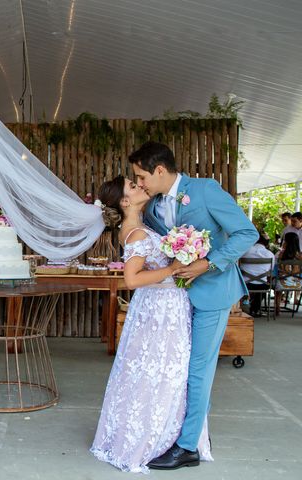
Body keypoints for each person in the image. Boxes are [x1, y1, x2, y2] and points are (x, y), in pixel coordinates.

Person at [128, 142, 258, 470]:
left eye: (141, 176)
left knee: (198, 369)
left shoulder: (204, 190)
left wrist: (208, 263)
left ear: (160, 170)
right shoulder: (154, 207)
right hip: (176, 298)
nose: (140, 182)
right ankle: (190, 433)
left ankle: (187, 448)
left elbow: (246, 233)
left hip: (212, 293)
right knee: (177, 368)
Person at [90, 176, 212, 473]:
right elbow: (132, 280)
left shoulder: (138, 228)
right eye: (133, 186)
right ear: (124, 202)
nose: (140, 186)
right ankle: (154, 437)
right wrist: (173, 267)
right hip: (160, 311)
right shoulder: (136, 235)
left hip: (161, 307)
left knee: (153, 370)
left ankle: (159, 431)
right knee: (164, 370)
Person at [240, 234, 275, 316]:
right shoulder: (270, 254)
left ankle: (244, 305)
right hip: (262, 285)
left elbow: (239, 267)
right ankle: (255, 309)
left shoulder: (245, 251)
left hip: (245, 285)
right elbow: (271, 271)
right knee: (264, 283)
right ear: (266, 244)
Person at [274, 231, 302, 315]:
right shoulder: (300, 256)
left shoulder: (280, 254)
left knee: (276, 281)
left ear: (285, 242)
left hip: (281, 283)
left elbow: (275, 267)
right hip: (298, 284)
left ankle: (277, 308)